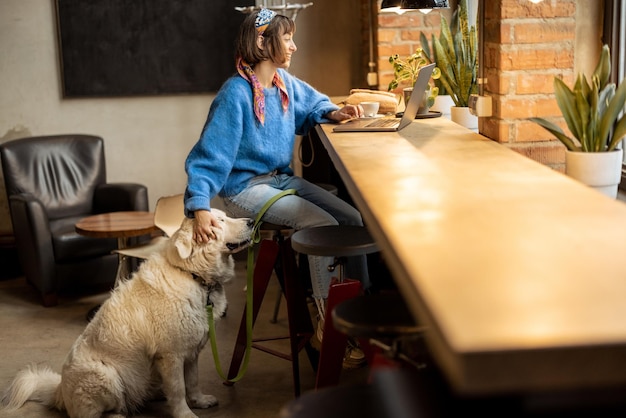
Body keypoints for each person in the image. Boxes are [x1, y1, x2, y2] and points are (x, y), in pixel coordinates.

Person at [183, 8, 369, 368]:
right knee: (321, 225)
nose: (294, 46)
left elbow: (314, 103)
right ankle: (326, 323)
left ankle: (356, 313)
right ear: (261, 42)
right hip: (243, 189)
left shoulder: (284, 84)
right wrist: (200, 205)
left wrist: (334, 112)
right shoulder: (234, 94)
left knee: (351, 217)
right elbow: (209, 156)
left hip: (280, 181)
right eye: (287, 38)